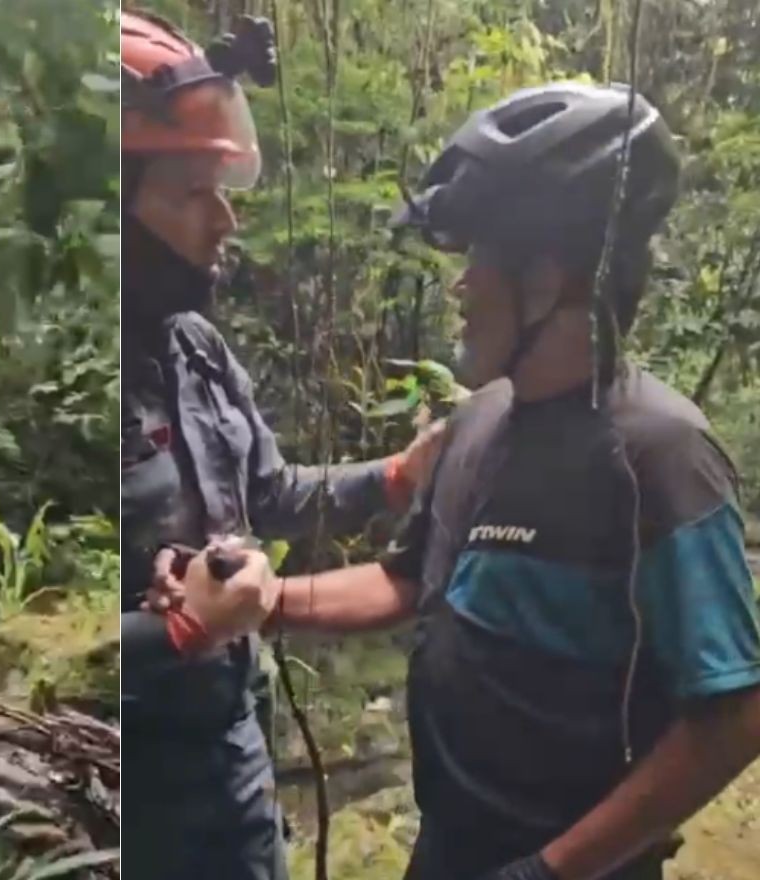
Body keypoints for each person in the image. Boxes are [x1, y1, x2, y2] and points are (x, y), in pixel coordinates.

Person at [175, 83, 760, 880]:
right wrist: (267, 603)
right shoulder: (480, 422)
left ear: (549, 281)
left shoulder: (662, 457)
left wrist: (550, 871)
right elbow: (408, 580)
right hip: (448, 850)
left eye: (480, 259)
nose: (460, 285)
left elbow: (731, 716)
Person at [119, 10, 443, 880]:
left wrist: (398, 476)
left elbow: (271, 497)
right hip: (121, 781)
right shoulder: (73, 375)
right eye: (193, 195)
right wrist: (177, 631)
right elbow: (31, 641)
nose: (225, 221)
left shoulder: (197, 350)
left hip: (234, 751)